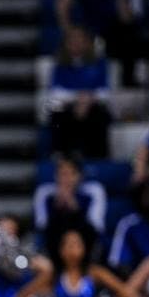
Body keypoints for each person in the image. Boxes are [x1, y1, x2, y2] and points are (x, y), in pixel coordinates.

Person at [17, 229, 144, 297]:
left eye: (77, 244)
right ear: (61, 250)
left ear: (84, 248)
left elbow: (125, 291)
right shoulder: (54, 275)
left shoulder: (95, 272)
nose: (73, 250)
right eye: (69, 245)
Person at [47, 26, 112, 159]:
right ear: (66, 43)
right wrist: (79, 98)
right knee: (57, 113)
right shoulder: (60, 65)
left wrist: (88, 100)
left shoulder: (99, 63)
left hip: (93, 107)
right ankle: (61, 155)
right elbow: (55, 93)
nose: (76, 43)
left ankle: (98, 157)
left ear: (87, 42)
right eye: (72, 40)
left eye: (80, 39)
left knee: (100, 115)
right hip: (68, 108)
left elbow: (105, 92)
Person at [33, 153, 106, 264]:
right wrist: (57, 207)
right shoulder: (45, 193)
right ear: (56, 176)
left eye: (71, 174)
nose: (66, 179)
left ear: (80, 176)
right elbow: (41, 226)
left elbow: (96, 226)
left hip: (85, 240)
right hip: (54, 242)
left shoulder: (94, 191)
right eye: (62, 174)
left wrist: (75, 208)